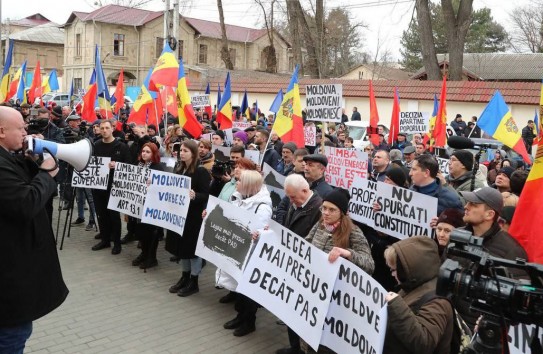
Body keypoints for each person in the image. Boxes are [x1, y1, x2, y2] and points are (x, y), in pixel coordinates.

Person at [0, 106, 69, 353]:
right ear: (1, 131)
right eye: (20, 127)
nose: (25, 131)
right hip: (8, 287)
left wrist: (31, 161)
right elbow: (26, 202)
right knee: (12, 340)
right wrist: (47, 172)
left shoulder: (7, 157)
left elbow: (22, 183)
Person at [301, 188, 374, 354]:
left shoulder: (354, 232)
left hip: (335, 299)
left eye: (332, 210)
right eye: (324, 208)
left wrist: (348, 254)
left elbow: (369, 264)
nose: (326, 213)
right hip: (312, 289)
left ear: (343, 212)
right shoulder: (320, 225)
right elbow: (305, 244)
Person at [456, 187, 528, 328]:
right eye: (467, 202)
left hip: (477, 328)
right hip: (449, 319)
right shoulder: (457, 236)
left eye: (473, 204)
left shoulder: (511, 250)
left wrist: (490, 322)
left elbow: (518, 302)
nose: (466, 206)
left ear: (489, 214)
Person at [276, 174, 322, 354]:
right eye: (288, 196)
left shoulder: (319, 209)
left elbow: (315, 242)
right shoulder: (295, 202)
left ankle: (301, 349)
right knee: (290, 309)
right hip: (292, 265)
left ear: (304, 190)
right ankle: (294, 346)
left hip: (305, 270)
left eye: (293, 196)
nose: (290, 200)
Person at [383, 236, 454, 354]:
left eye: (394, 270)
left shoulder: (438, 302)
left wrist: (396, 305)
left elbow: (424, 342)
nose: (392, 274)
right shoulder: (413, 285)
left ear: (408, 270)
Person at [223, 170, 273, 337]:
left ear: (248, 185)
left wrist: (255, 234)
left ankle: (249, 322)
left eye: (239, 181)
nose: (236, 183)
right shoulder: (239, 198)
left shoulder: (262, 207)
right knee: (239, 288)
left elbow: (261, 232)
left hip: (251, 255)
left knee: (248, 292)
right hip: (238, 251)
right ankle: (240, 316)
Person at [167, 140, 211, 297]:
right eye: (181, 151)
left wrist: (195, 195)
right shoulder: (179, 168)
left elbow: (206, 194)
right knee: (182, 248)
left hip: (194, 217)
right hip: (180, 215)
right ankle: (184, 276)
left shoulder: (201, 172)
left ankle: (194, 280)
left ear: (193, 153)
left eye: (185, 151)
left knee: (192, 250)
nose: (182, 153)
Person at [91, 120, 130, 255]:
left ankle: (117, 243)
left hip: (115, 186)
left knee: (114, 216)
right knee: (102, 214)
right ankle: (105, 239)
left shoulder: (122, 146)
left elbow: (129, 166)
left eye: (107, 128)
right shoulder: (96, 145)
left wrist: (117, 165)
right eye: (102, 128)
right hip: (99, 186)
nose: (104, 130)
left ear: (112, 129)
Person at [131, 143, 165, 269]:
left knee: (151, 232)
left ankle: (152, 257)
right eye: (143, 151)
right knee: (141, 232)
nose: (144, 153)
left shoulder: (158, 167)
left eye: (148, 152)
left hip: (152, 205)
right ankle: (144, 254)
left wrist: (153, 183)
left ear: (154, 154)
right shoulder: (138, 165)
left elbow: (162, 187)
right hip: (139, 204)